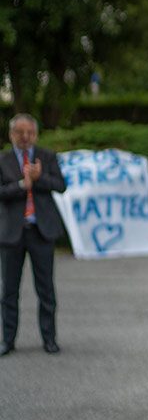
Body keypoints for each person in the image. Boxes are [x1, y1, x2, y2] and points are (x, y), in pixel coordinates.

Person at [0, 114, 67, 356]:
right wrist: (20, 185)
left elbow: (61, 185)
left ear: (36, 134)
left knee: (46, 289)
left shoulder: (46, 156)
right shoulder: (3, 159)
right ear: (11, 135)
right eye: (20, 132)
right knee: (8, 291)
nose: (25, 137)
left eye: (29, 132)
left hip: (41, 231)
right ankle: (8, 340)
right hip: (11, 234)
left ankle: (49, 339)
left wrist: (40, 179)